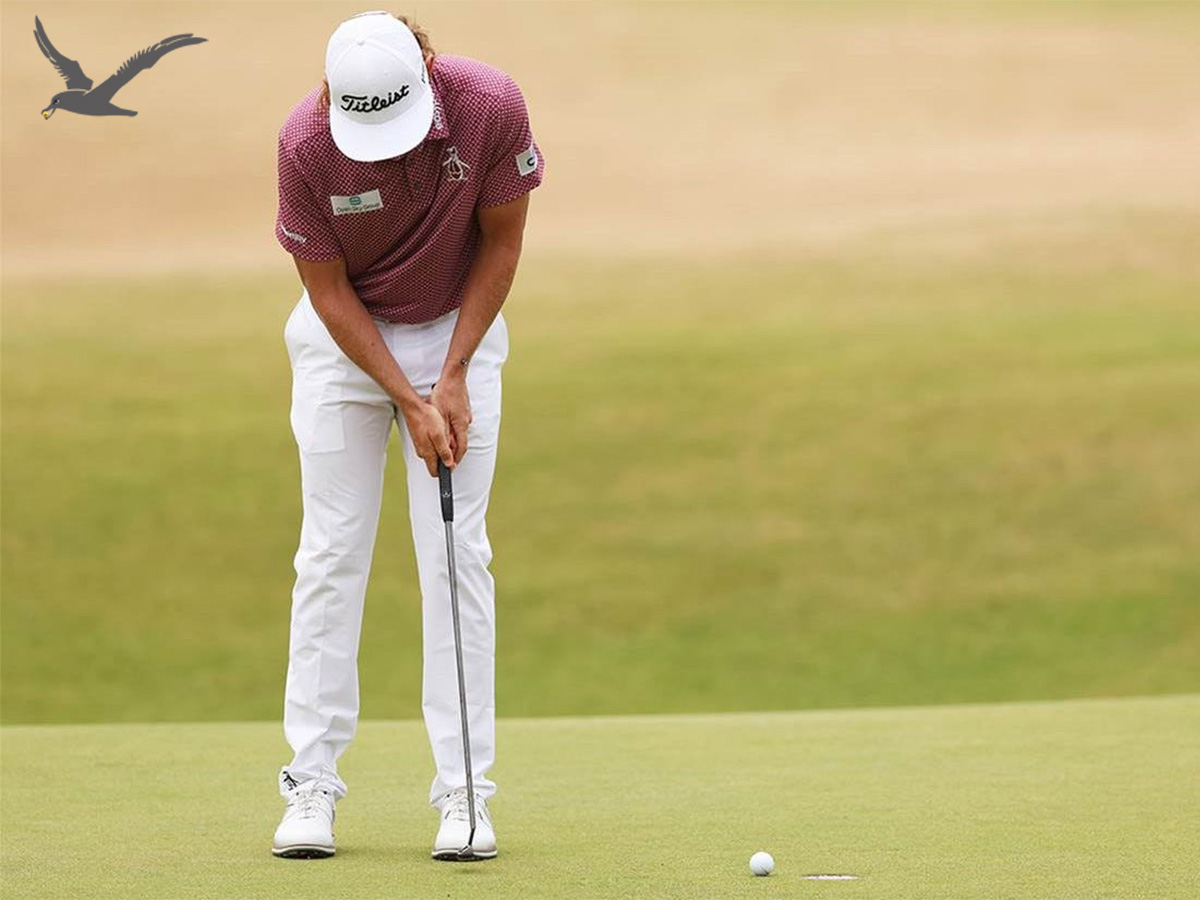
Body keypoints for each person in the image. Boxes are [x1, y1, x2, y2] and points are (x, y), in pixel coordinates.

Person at [269, 10, 542, 861]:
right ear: (330, 95)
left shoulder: (490, 103)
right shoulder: (305, 145)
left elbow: (503, 242)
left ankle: (465, 792)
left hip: (458, 330)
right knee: (331, 553)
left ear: (427, 65)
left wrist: (451, 375)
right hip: (343, 346)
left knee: (457, 556)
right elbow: (327, 293)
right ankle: (311, 783)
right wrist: (406, 396)